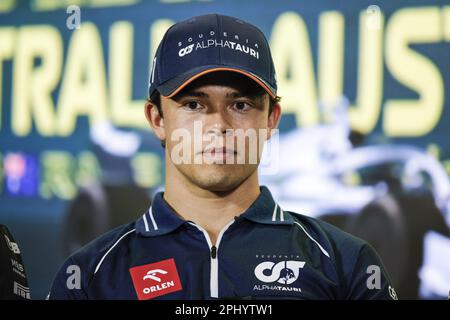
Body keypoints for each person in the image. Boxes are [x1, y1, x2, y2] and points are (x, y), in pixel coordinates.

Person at [48, 13, 397, 300]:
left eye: (241, 104)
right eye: (194, 104)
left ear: (271, 119)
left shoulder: (347, 264)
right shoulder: (90, 275)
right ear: (157, 119)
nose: (219, 125)